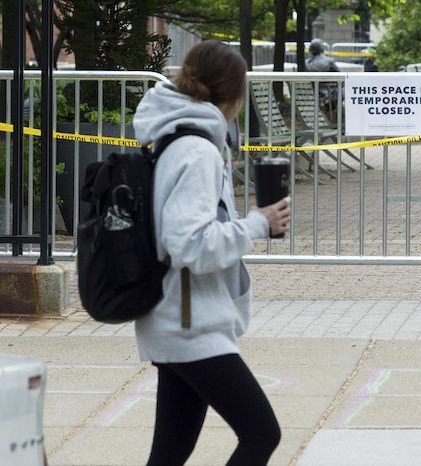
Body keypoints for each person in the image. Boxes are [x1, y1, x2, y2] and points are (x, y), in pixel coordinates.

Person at [132, 39, 290, 466]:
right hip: (189, 324)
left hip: (178, 318)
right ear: (235, 96)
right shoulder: (197, 150)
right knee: (261, 434)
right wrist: (258, 223)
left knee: (168, 455)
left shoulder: (180, 139)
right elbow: (187, 245)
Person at [304, 38, 340, 117]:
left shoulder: (306, 63)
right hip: (328, 90)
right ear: (321, 48)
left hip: (313, 90)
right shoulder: (329, 61)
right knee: (342, 90)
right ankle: (332, 110)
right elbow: (340, 75)